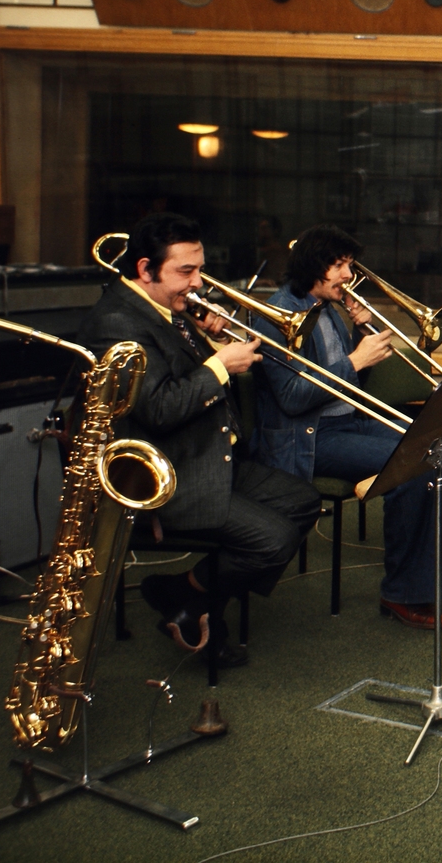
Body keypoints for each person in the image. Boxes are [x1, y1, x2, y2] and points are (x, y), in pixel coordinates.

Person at [77, 212, 320, 665]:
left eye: (199, 269)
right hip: (165, 474)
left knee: (304, 501)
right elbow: (159, 409)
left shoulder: (164, 308)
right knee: (273, 539)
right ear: (145, 269)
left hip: (205, 453)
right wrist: (220, 365)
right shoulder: (119, 323)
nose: (197, 282)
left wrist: (210, 345)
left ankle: (189, 596)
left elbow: (187, 377)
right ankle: (198, 604)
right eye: (185, 272)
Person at [252, 224, 442, 630]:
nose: (349, 276)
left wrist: (361, 332)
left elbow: (353, 384)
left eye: (349, 265)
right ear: (315, 267)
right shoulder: (278, 316)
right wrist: (356, 360)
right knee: (416, 462)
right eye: (340, 266)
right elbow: (293, 398)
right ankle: (402, 593)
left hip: (347, 422)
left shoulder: (329, 309)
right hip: (308, 439)